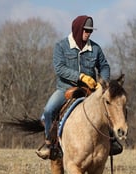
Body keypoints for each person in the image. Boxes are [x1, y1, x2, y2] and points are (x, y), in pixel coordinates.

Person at [36, 15, 121, 160]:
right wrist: (80, 77)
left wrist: (102, 82)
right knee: (49, 110)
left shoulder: (95, 48)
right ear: (77, 29)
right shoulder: (61, 46)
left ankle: (112, 141)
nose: (88, 33)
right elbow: (59, 68)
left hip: (91, 91)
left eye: (90, 31)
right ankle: (50, 145)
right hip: (66, 89)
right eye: (86, 30)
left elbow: (104, 66)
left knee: (109, 107)